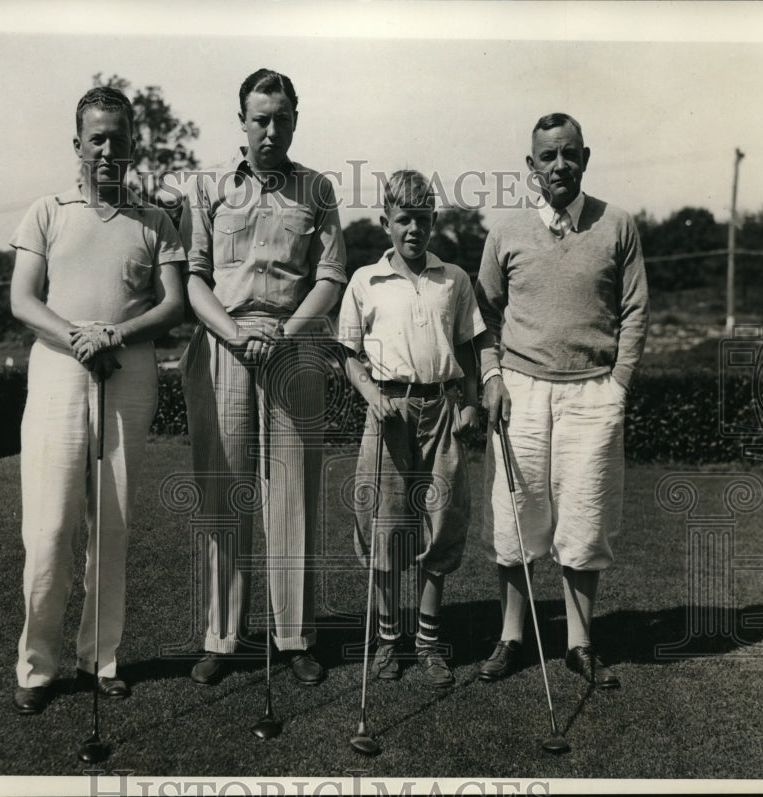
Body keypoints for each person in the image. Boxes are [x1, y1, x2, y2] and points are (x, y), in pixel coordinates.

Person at [9, 86, 186, 714]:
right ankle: (37, 667)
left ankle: (100, 658)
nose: (108, 149)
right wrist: (80, 339)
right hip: (59, 373)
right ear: (78, 143)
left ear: (134, 144)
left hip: (129, 373)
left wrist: (116, 334)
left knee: (112, 526)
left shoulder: (157, 219)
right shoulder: (46, 211)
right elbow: (24, 300)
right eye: (97, 137)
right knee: (51, 527)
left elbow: (174, 303)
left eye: (119, 137)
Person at [180, 68, 347, 686]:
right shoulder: (209, 188)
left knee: (292, 492)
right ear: (242, 121)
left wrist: (287, 331)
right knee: (222, 490)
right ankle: (223, 637)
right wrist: (232, 332)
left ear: (295, 119)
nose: (270, 129)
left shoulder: (318, 189)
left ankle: (295, 637)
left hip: (292, 345)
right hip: (224, 343)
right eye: (259, 118)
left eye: (281, 117)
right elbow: (193, 278)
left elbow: (330, 276)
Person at [474, 112, 649, 688]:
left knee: (585, 518)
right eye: (547, 156)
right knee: (517, 519)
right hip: (521, 392)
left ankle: (579, 644)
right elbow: (483, 316)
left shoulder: (618, 224)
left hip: (593, 393)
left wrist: (618, 383)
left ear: (585, 157)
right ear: (531, 166)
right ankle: (511, 638)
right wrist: (492, 378)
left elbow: (635, 310)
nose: (559, 166)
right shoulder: (505, 232)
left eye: (569, 154)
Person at [338, 170, 490, 688]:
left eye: (423, 220)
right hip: (389, 413)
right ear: (386, 222)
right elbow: (350, 356)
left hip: (440, 413)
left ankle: (427, 642)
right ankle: (387, 641)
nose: (413, 230)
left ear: (434, 222)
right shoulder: (364, 280)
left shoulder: (455, 278)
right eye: (404, 220)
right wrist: (373, 396)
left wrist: (471, 402)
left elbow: (469, 347)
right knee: (384, 528)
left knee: (440, 524)